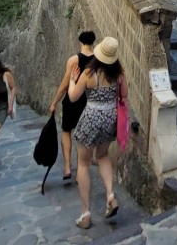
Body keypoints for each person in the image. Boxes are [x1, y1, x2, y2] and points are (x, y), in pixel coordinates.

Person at [68, 37, 127, 229]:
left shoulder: (88, 74)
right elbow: (124, 94)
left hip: (91, 118)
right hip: (110, 118)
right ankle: (110, 194)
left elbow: (73, 97)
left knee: (83, 164)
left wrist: (71, 81)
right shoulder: (118, 73)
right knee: (102, 156)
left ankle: (86, 214)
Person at [48, 30, 96, 182]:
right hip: (89, 102)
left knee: (66, 131)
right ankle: (80, 173)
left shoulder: (73, 60)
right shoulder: (98, 60)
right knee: (84, 138)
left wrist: (54, 102)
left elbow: (64, 84)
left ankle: (68, 167)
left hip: (72, 100)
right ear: (93, 42)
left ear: (80, 42)